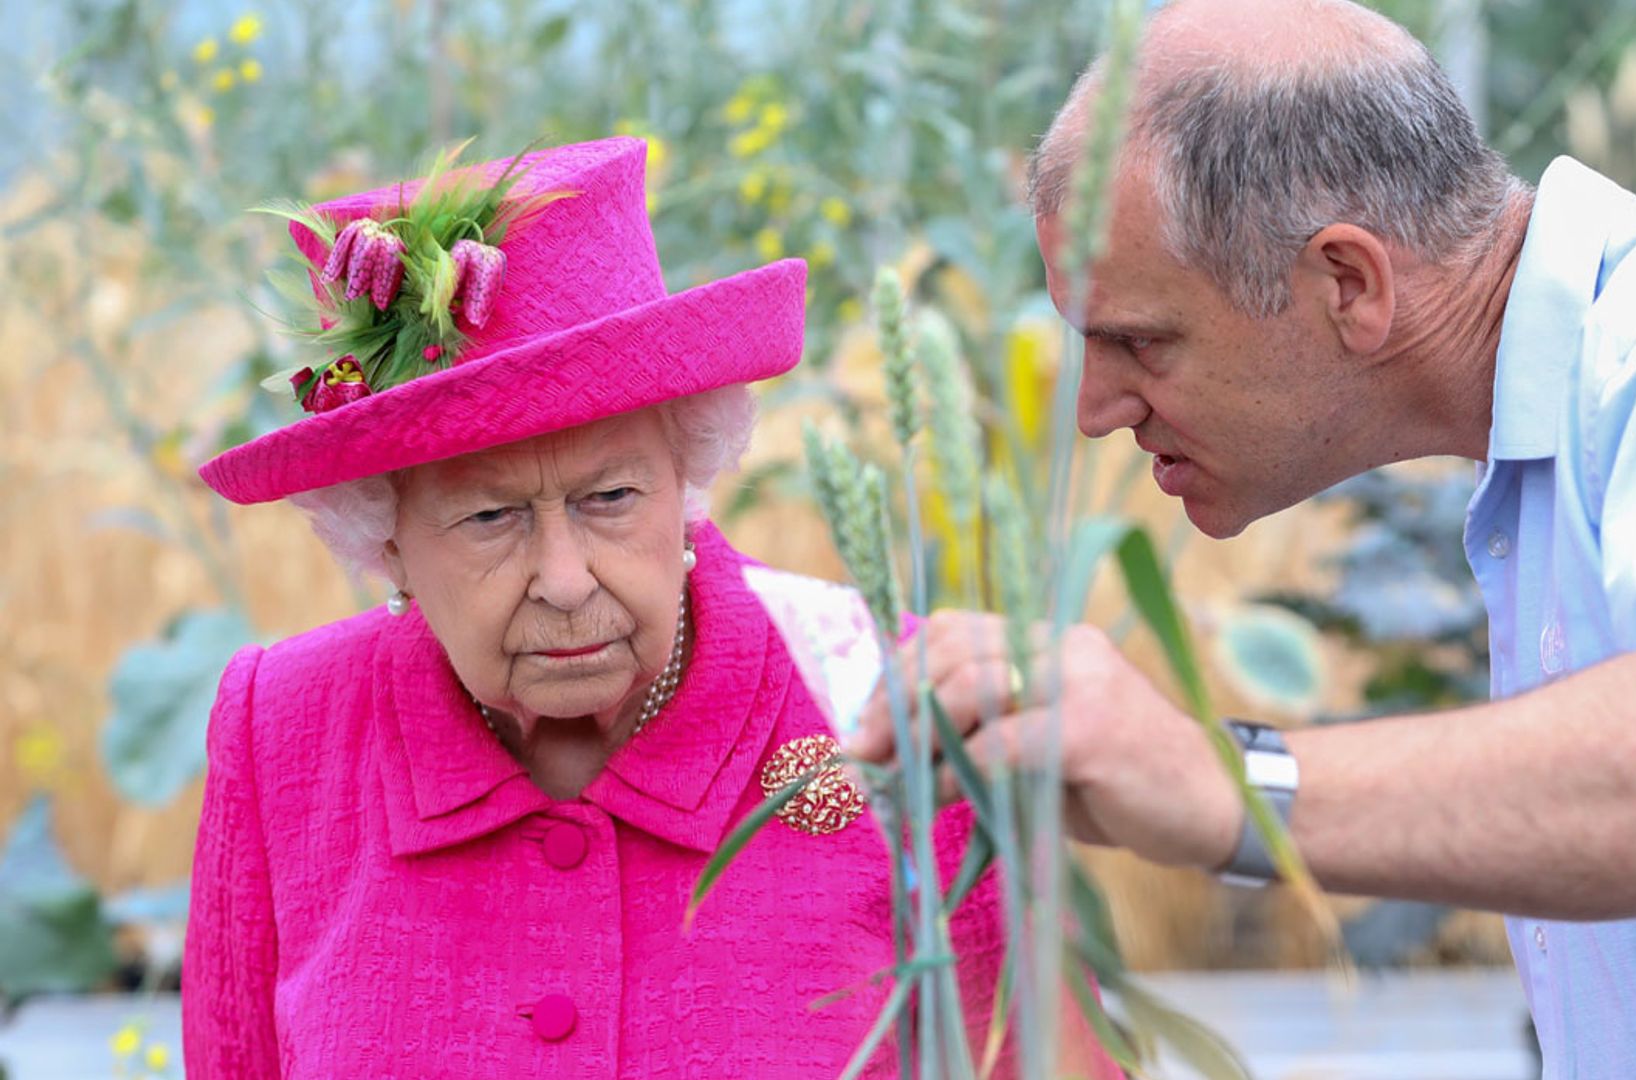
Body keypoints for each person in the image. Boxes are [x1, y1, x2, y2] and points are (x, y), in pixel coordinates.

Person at [849, 0, 1636, 1075]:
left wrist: (1225, 785)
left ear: (1348, 283)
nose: (1097, 408)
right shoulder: (1561, 430)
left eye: (1138, 339)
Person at [182, 137, 1103, 1079]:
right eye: (490, 516)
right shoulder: (282, 729)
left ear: (686, 473)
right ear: (386, 537)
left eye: (611, 498)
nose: (567, 578)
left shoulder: (905, 702)